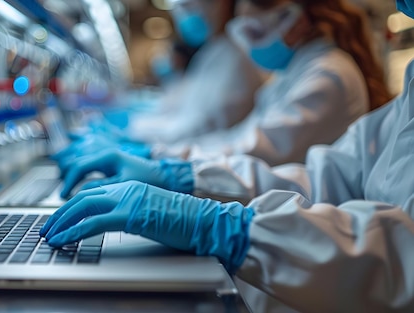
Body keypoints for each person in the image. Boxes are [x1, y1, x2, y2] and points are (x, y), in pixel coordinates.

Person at [39, 0, 414, 311]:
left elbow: (399, 256)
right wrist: (183, 176)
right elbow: (326, 178)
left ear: (296, 17)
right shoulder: (305, 73)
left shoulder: (327, 74)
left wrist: (224, 226)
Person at [56, 0, 393, 199]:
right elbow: (237, 140)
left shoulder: (327, 74)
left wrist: (164, 160)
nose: (250, 45)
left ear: (296, 19)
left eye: (254, 33)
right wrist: (160, 157)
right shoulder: (297, 71)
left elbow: (256, 149)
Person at [100, 0, 263, 145]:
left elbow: (203, 127)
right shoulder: (211, 53)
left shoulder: (235, 56)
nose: (183, 17)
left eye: (189, 6)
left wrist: (133, 129)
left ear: (221, 3)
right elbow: (183, 114)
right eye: (179, 10)